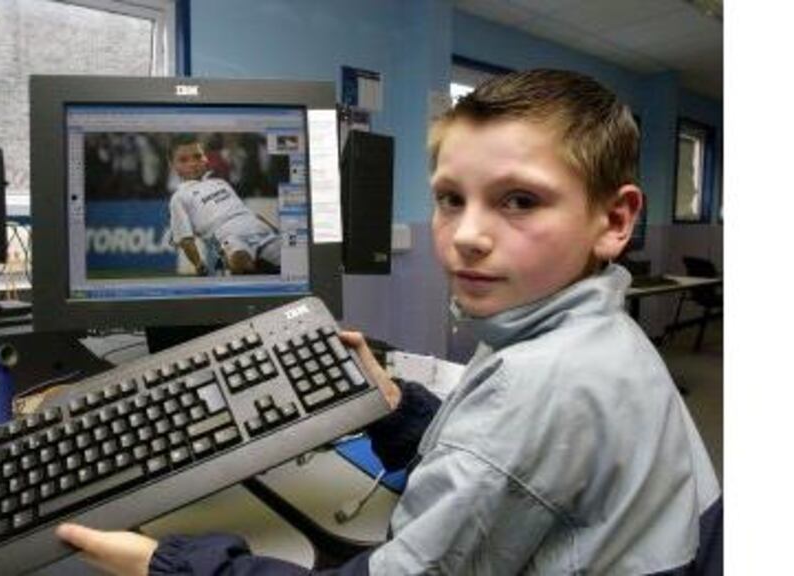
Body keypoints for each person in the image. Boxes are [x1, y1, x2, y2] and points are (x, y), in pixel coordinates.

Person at [55, 70, 721, 575]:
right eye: (449, 199)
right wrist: (394, 407)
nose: (467, 236)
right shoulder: (588, 333)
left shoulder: (541, 389)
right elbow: (497, 464)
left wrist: (162, 563)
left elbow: (498, 457)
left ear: (614, 220)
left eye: (519, 200)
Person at [166, 134, 281, 276]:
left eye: (197, 157)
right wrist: (198, 264)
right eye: (183, 160)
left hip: (258, 228)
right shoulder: (179, 198)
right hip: (229, 237)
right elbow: (185, 239)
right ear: (172, 165)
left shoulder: (221, 183)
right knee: (240, 261)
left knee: (289, 262)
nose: (192, 163)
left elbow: (247, 212)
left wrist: (274, 230)